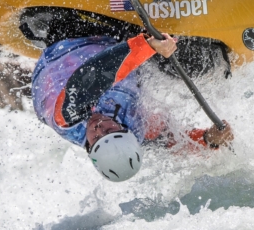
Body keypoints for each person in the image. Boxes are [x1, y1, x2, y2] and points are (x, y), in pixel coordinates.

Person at [31, 32, 234, 182]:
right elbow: (170, 140)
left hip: (68, 36)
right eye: (109, 130)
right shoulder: (134, 130)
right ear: (125, 131)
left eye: (96, 137)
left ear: (89, 148)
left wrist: (148, 45)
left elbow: (93, 75)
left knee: (157, 48)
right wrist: (208, 139)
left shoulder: (67, 118)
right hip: (114, 40)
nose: (99, 127)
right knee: (196, 63)